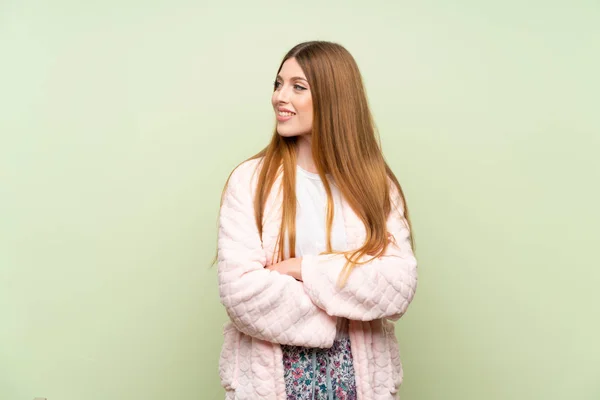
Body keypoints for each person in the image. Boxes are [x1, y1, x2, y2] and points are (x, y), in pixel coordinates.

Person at [215, 40, 418, 400]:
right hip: (271, 383)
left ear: (332, 97)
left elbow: (397, 285)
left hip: (361, 383)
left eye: (298, 86)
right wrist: (348, 305)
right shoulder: (248, 182)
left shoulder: (376, 186)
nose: (280, 97)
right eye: (278, 84)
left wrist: (302, 269)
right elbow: (241, 294)